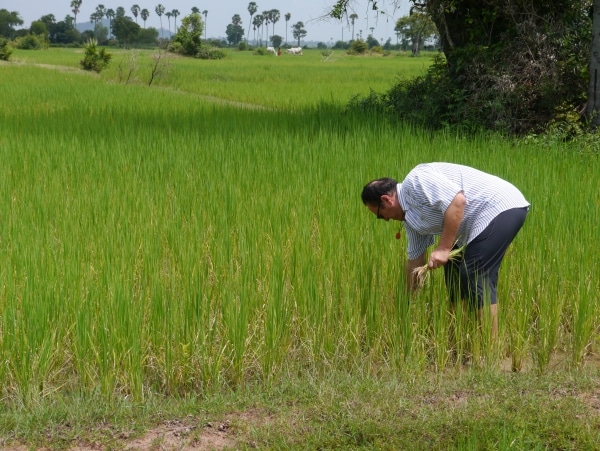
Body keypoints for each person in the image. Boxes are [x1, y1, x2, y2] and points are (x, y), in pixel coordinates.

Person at [361, 162, 529, 339]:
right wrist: (404, 303)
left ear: (386, 200)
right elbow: (415, 263)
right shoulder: (411, 221)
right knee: (454, 275)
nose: (385, 220)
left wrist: (443, 248)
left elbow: (458, 201)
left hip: (499, 205)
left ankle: (491, 351)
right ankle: (457, 339)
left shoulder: (416, 181)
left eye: (380, 215)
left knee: (475, 272)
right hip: (472, 224)